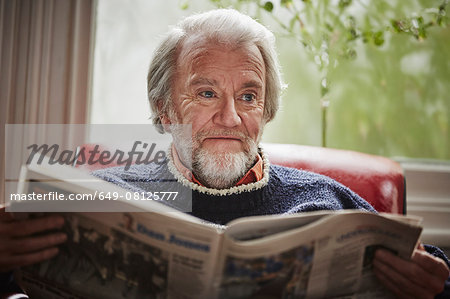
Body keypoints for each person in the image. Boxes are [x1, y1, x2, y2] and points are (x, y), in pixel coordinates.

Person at [1, 9, 449, 298]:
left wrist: (436, 280)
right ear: (164, 107)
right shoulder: (103, 196)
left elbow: (430, 266)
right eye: (207, 93)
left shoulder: (326, 199)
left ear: (267, 110)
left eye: (249, 96)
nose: (231, 118)